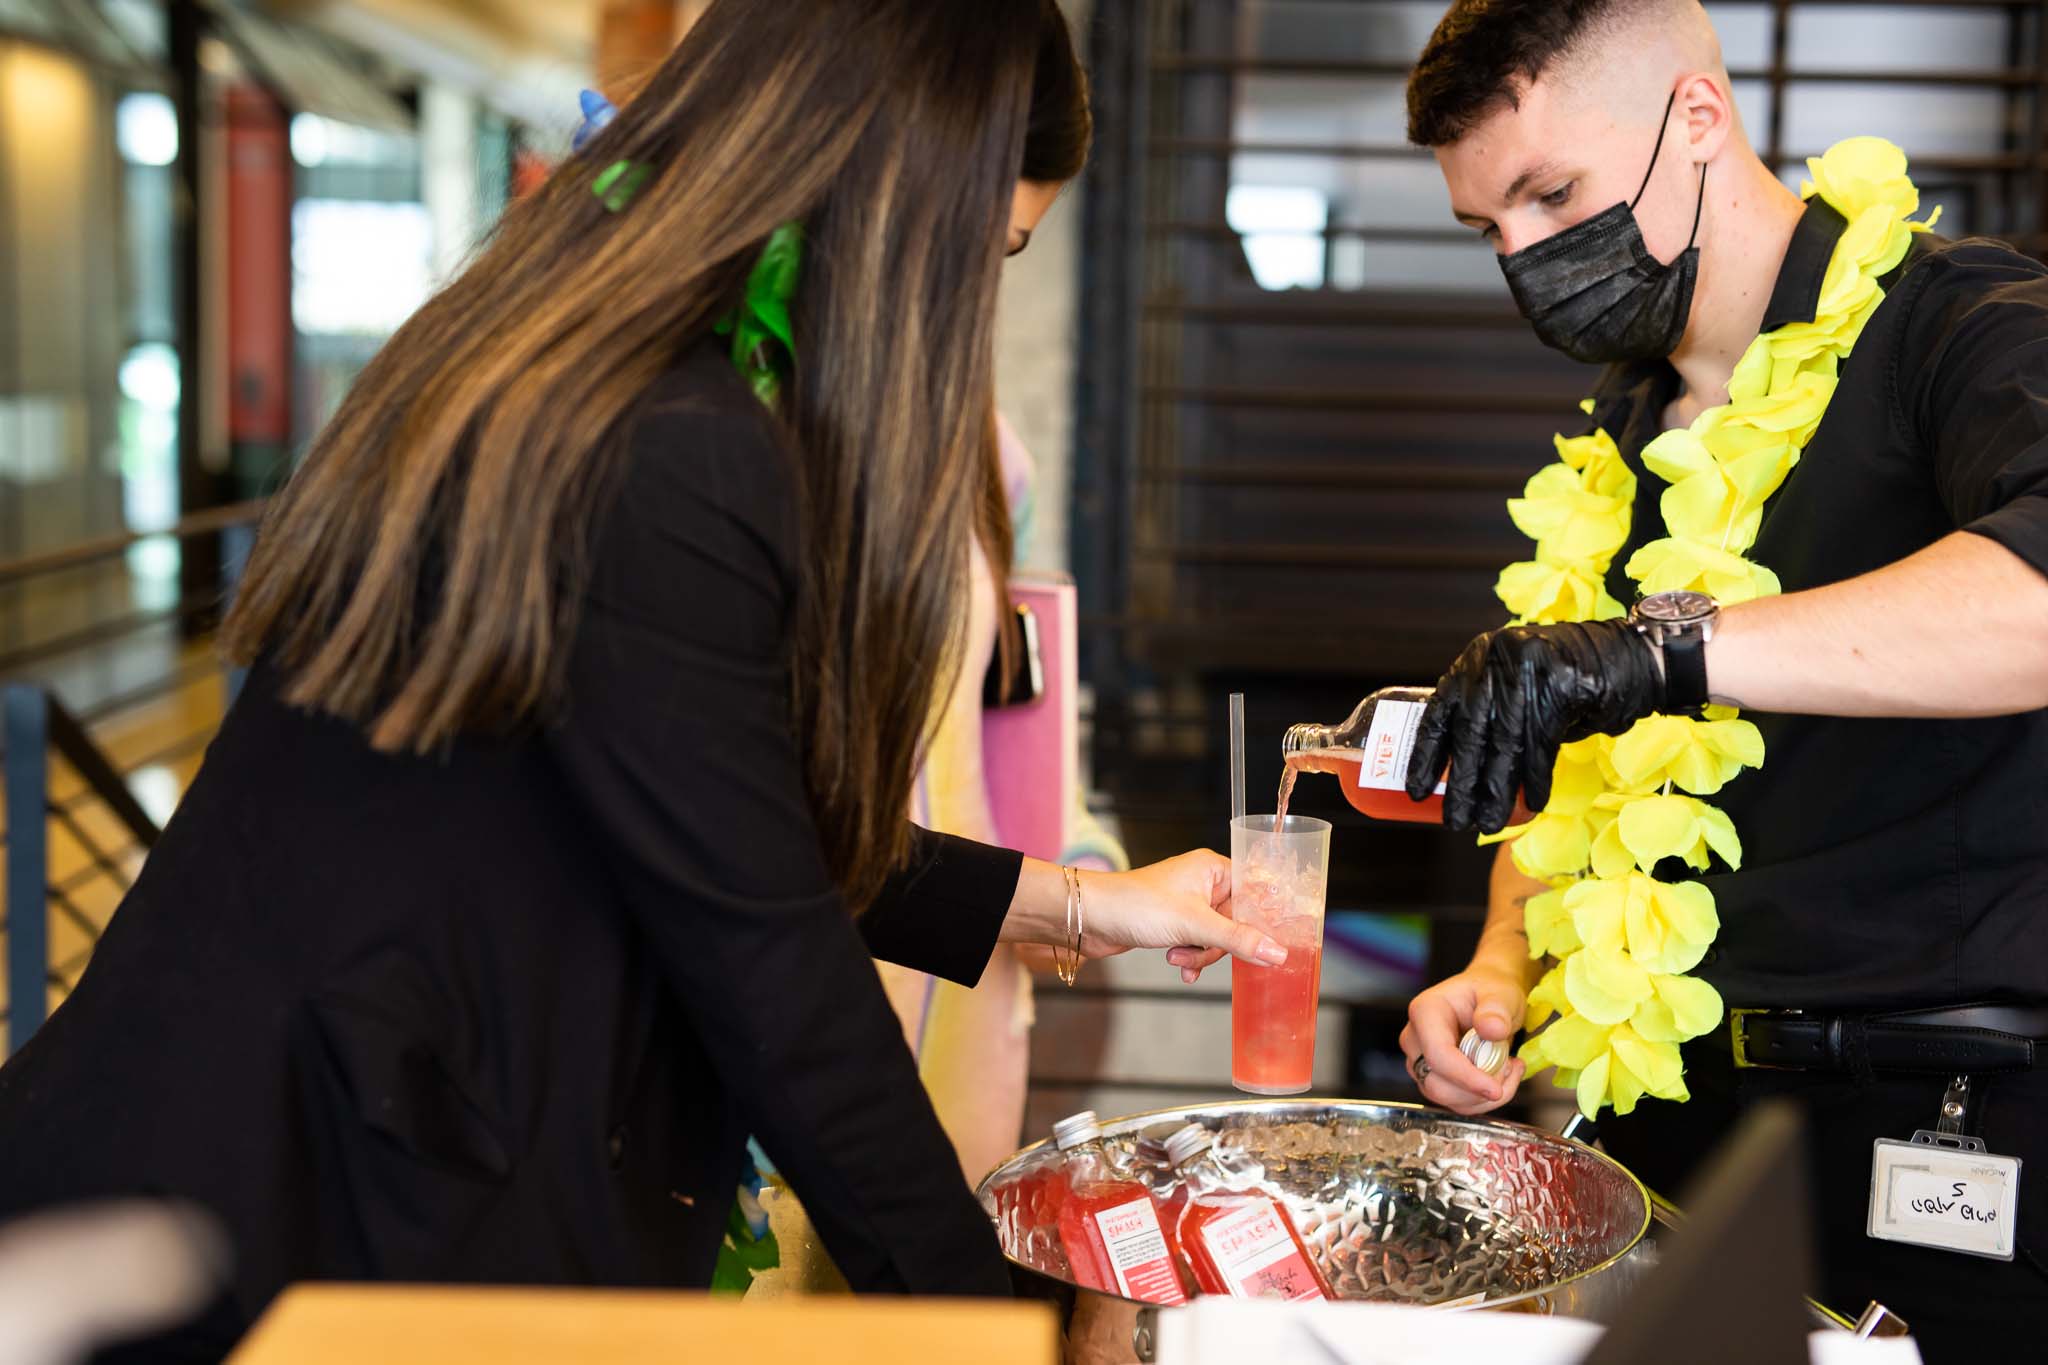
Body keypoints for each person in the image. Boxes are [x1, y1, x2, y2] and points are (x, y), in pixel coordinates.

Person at [0, 1, 1288, 1353]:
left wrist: (1085, 903)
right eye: (989, 249)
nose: (973, 306)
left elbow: (736, 828)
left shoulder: (605, 357)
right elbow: (776, 969)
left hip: (323, 1138)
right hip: (262, 1203)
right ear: (897, 202)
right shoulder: (668, 447)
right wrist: (1002, 1328)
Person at [1387, 2, 2048, 1355]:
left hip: (1943, 1121)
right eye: (1486, 226)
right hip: (1671, 1131)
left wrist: (1667, 650)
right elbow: (1593, 773)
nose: (1522, 255)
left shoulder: (1962, 323)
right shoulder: (1621, 435)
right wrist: (1505, 963)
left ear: (1698, 116)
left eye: (1551, 194)